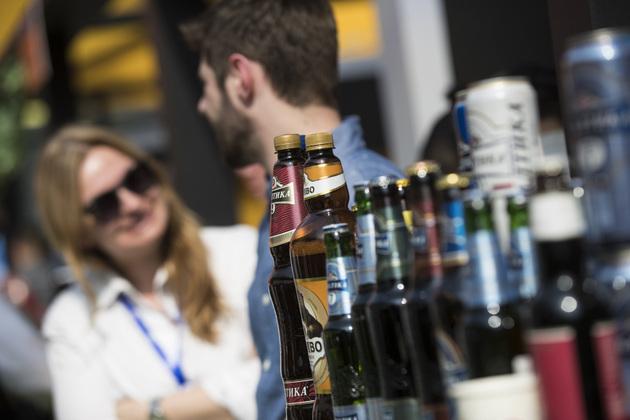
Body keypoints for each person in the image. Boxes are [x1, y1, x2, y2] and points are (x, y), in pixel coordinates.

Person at [182, 1, 403, 418]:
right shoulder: (288, 203)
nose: (202, 106)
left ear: (240, 78)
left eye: (206, 86)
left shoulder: (357, 198)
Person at [36, 125, 259, 420]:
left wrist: (150, 411)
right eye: (105, 204)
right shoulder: (71, 320)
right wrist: (236, 390)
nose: (133, 203)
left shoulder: (241, 251)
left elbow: (285, 379)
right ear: (79, 231)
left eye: (136, 179)